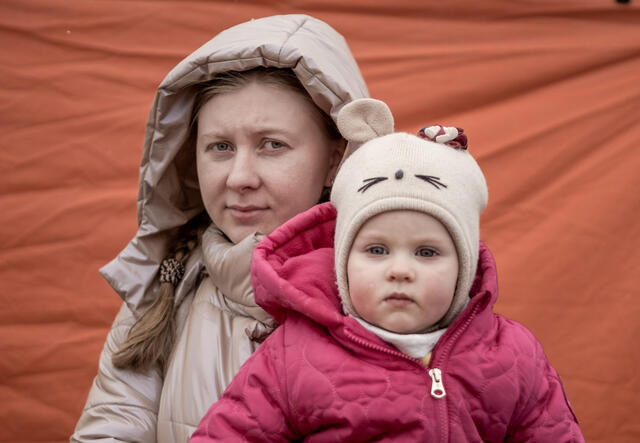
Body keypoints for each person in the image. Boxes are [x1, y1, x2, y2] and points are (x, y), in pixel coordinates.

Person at [190, 98, 585, 442]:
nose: (400, 270)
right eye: (376, 250)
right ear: (343, 263)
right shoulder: (292, 355)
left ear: (464, 268)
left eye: (427, 253)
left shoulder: (514, 355)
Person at [71, 14, 369, 443]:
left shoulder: (392, 284)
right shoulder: (166, 288)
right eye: (220, 147)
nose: (238, 177)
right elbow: (111, 427)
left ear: (336, 160)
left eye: (272, 145)